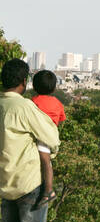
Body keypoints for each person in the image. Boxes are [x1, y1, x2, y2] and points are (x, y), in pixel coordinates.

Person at [0, 58, 61, 222]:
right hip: (28, 184)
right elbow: (52, 137)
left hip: (4, 186)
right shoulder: (23, 107)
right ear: (24, 82)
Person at [30, 70, 66, 208]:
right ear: (54, 88)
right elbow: (61, 118)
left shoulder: (33, 102)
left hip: (42, 135)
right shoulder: (57, 103)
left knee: (45, 161)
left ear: (34, 86)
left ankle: (49, 191)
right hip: (52, 135)